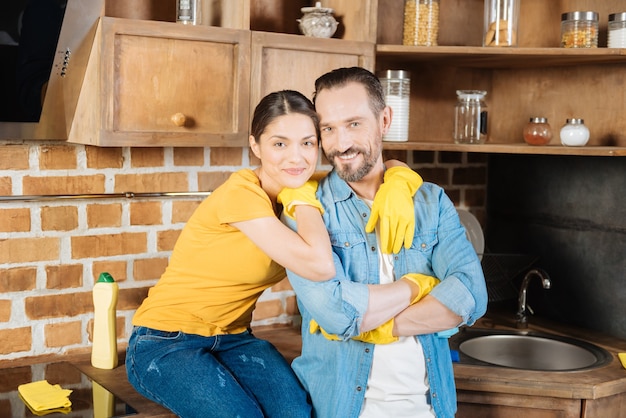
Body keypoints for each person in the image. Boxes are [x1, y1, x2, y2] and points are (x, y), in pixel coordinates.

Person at [125, 89, 419, 418]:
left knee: (294, 412)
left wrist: (399, 179)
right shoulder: (243, 195)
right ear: (256, 146)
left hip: (234, 339)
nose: (296, 158)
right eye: (280, 144)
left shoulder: (302, 186)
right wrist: (305, 199)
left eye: (307, 143)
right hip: (165, 342)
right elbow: (320, 266)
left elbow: (376, 167)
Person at [283, 67, 489, 418]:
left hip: (429, 409)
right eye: (328, 129)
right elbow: (336, 314)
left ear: (384, 120)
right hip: (340, 409)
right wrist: (416, 288)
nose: (341, 143)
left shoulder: (431, 202)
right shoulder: (305, 210)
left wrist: (375, 326)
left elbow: (471, 294)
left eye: (354, 124)